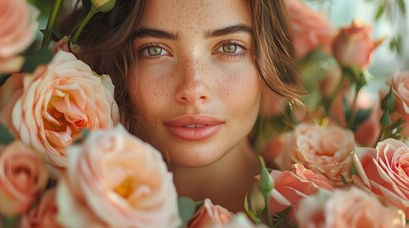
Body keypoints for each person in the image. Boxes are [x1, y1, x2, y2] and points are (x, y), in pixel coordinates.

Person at [67, 0, 300, 212]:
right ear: (114, 66)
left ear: (273, 63)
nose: (193, 89)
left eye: (229, 47)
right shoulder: (62, 214)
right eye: (154, 50)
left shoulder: (323, 213)